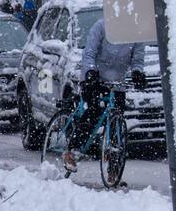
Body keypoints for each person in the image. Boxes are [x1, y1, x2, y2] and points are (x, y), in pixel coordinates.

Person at [61, 19, 143, 173]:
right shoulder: (100, 27)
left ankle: (114, 167)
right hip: (95, 78)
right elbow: (89, 52)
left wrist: (138, 72)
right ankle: (72, 150)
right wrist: (90, 70)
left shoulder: (135, 33)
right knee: (93, 112)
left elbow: (137, 59)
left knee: (117, 120)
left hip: (117, 81)